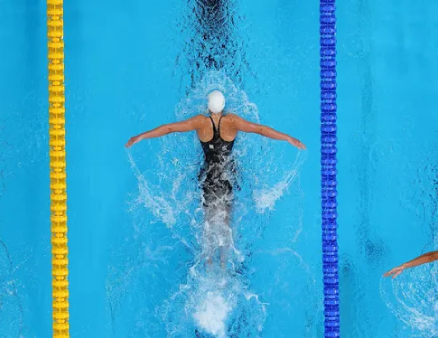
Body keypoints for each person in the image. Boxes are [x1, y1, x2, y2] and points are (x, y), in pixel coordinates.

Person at [125, 90, 305, 267]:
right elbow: (261, 130)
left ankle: (209, 263)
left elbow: (169, 128)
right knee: (226, 220)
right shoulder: (232, 121)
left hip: (208, 177)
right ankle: (224, 264)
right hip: (226, 177)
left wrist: (140, 136)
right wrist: (288, 138)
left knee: (208, 221)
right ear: (224, 105)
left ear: (208, 106)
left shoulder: (200, 122)